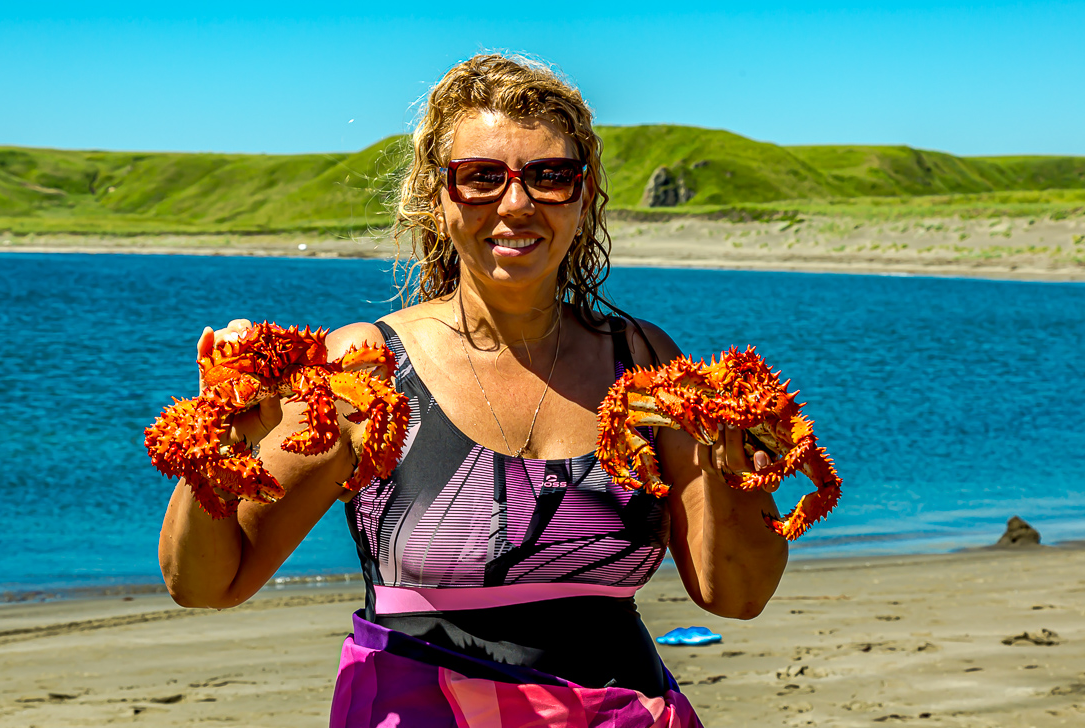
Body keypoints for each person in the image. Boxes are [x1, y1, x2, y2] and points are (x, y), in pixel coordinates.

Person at [158, 54, 788, 727]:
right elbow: (206, 584)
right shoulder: (368, 368)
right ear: (437, 196)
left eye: (550, 175)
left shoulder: (644, 363)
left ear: (584, 193)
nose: (516, 204)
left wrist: (741, 461)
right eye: (482, 177)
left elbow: (736, 594)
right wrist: (216, 440)